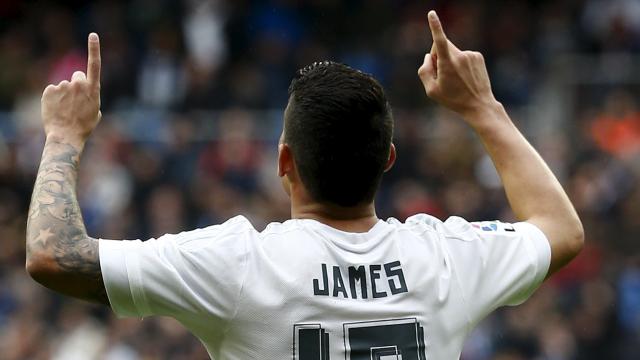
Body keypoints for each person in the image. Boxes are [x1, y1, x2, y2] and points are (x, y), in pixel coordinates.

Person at [25, 11, 583, 359]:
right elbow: (560, 228)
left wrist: (64, 136)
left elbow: (52, 256)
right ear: (388, 159)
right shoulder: (445, 258)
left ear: (283, 160)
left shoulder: (237, 263)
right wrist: (483, 108)